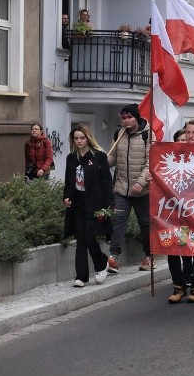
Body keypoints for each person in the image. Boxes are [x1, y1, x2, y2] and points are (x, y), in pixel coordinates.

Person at [62, 125, 112, 288]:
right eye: (76, 138)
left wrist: (110, 204)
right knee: (81, 239)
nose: (79, 141)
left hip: (95, 203)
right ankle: (81, 277)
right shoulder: (71, 158)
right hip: (78, 203)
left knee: (90, 236)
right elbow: (69, 181)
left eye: (82, 138)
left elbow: (106, 182)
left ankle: (102, 262)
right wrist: (66, 198)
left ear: (88, 138)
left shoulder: (99, 156)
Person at [107, 104, 154, 273]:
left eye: (129, 117)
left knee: (145, 223)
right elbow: (113, 157)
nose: (126, 121)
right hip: (121, 188)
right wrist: (102, 163)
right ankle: (114, 257)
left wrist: (141, 182)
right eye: (124, 118)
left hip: (142, 190)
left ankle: (149, 256)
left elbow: (152, 162)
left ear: (137, 117)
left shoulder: (148, 135)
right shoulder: (118, 134)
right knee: (118, 221)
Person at [167, 120, 194, 304]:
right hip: (176, 210)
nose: (190, 136)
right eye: (188, 132)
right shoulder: (174, 154)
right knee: (173, 247)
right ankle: (178, 286)